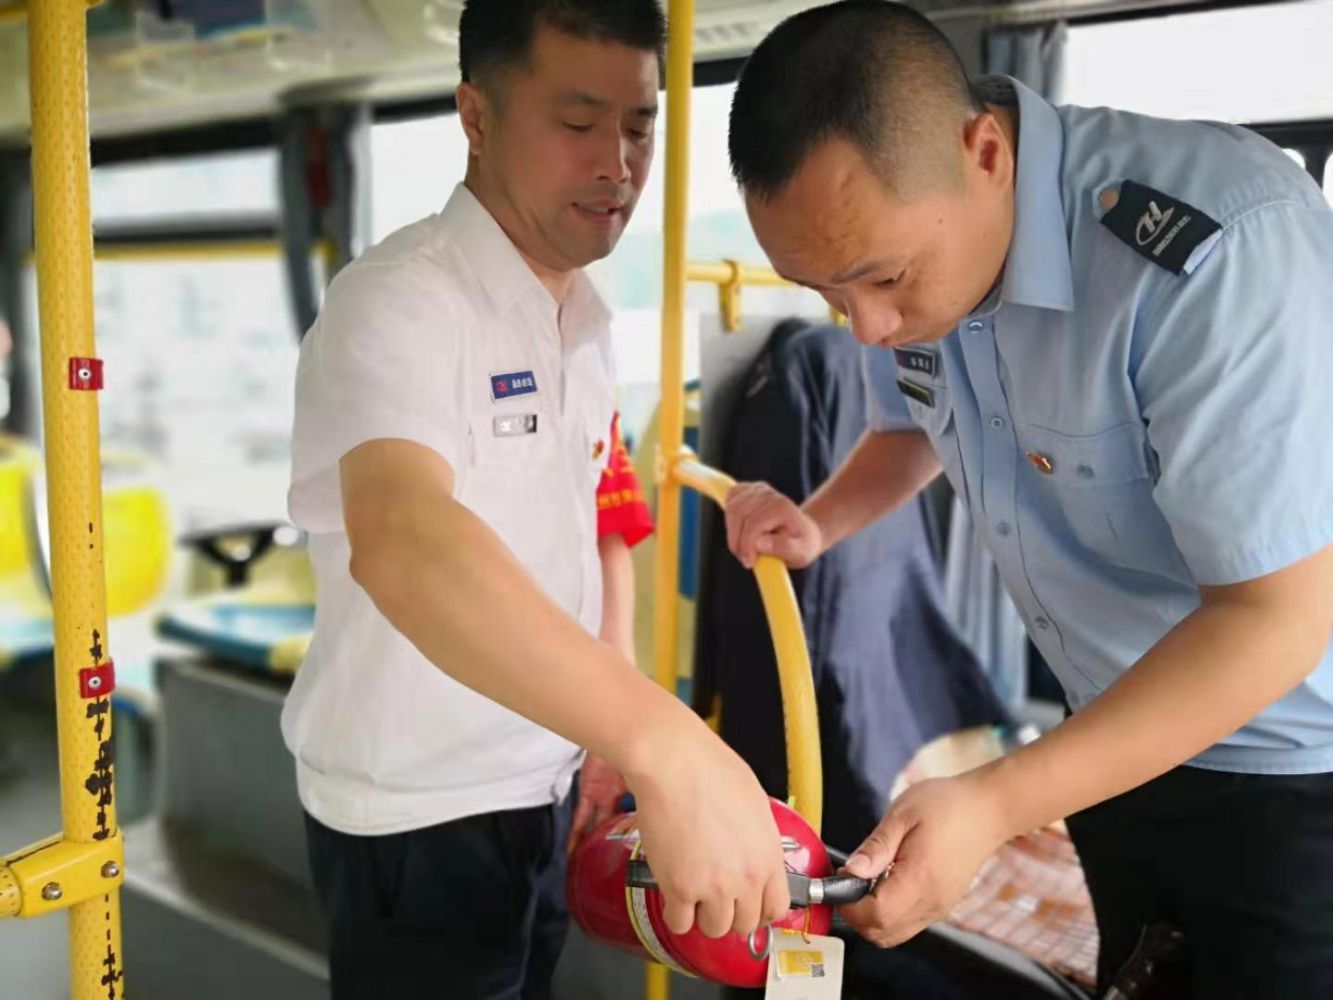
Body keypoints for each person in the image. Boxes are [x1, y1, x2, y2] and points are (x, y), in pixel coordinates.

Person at [723, 2, 1333, 996]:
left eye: (881, 280)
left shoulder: (1213, 257)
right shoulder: (916, 252)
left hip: (1291, 771)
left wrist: (995, 800)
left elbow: (1275, 620)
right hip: (1109, 741)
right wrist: (819, 521)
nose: (864, 328)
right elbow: (914, 421)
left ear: (986, 153)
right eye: (828, 295)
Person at [282, 2, 790, 996]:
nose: (617, 164)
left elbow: (589, 533)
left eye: (638, 126)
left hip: (546, 780)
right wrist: (662, 738)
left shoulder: (584, 324)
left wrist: (602, 735)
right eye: (577, 122)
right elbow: (402, 536)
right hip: (421, 808)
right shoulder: (398, 300)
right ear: (476, 116)